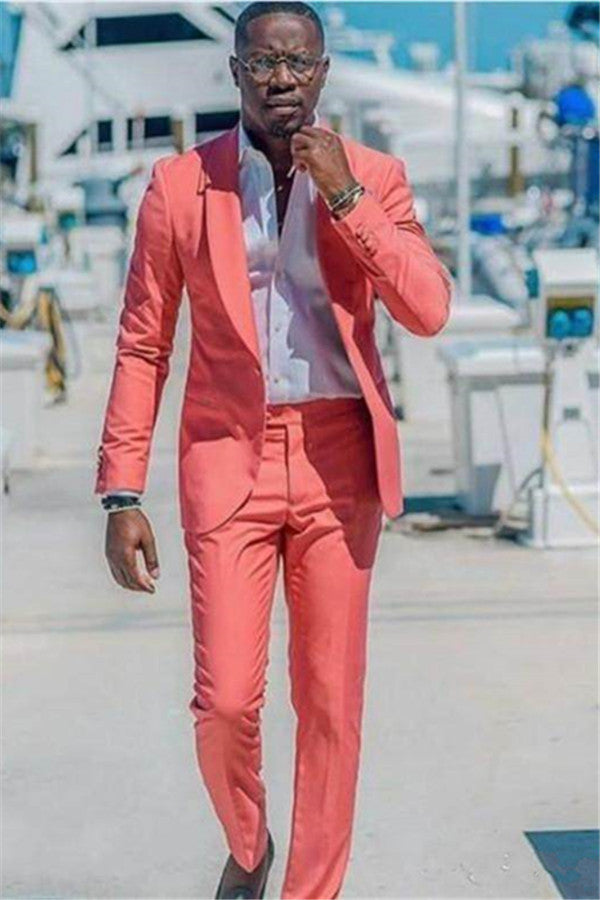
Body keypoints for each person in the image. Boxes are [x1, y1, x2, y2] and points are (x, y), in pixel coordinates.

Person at [95, 3, 452, 897]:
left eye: (298, 64)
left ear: (324, 71)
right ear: (236, 73)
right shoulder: (180, 185)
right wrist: (121, 491)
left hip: (339, 461)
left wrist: (345, 195)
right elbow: (143, 344)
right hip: (227, 458)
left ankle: (310, 891)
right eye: (263, 64)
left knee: (329, 701)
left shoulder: (375, 175)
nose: (281, 80)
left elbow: (427, 308)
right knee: (224, 702)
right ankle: (249, 843)